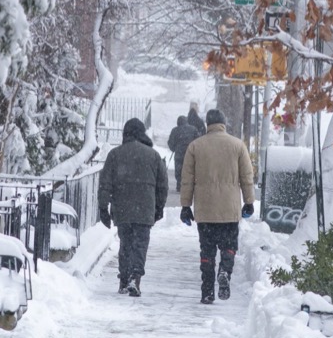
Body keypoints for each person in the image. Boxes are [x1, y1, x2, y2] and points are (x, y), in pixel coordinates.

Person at [179, 108, 255, 304]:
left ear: (207, 124)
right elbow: (247, 177)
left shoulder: (195, 146)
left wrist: (186, 206)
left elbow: (187, 179)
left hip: (205, 210)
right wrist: (249, 201)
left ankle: (207, 292)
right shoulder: (238, 146)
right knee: (229, 246)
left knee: (207, 250)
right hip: (229, 209)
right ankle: (225, 271)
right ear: (224, 124)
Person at [98, 118, 168, 297]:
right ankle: (135, 277)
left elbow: (105, 183)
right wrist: (158, 208)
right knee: (140, 245)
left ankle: (124, 279)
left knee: (126, 244)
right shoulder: (153, 156)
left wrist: (103, 208)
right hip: (145, 208)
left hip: (122, 208)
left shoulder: (115, 154)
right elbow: (162, 186)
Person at [167, 115, 200, 192]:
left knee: (179, 170)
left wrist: (174, 148)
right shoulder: (193, 129)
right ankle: (189, 185)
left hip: (179, 154)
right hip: (190, 153)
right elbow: (198, 141)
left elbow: (170, 143)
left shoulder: (175, 130)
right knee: (190, 169)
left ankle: (179, 185)